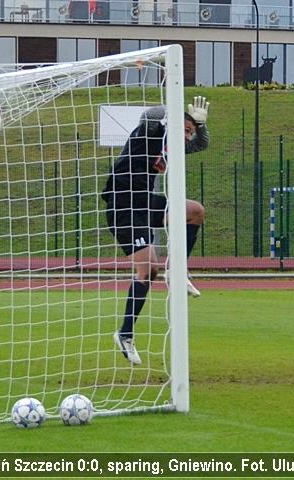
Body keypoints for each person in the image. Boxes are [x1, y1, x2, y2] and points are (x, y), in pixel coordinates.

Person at [102, 96, 210, 365]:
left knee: (195, 211)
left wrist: (199, 125)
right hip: (123, 205)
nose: (187, 136)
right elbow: (151, 115)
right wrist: (176, 110)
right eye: (184, 130)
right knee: (148, 269)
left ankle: (177, 270)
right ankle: (125, 334)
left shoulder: (173, 146)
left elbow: (202, 143)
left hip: (145, 202)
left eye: (189, 132)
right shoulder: (149, 133)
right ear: (171, 124)